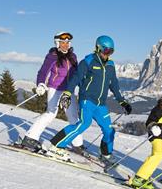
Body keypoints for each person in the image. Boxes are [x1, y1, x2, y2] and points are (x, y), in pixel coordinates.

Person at [47, 35, 132, 163]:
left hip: (101, 104)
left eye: (111, 51)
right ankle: (56, 146)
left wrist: (122, 101)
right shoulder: (88, 61)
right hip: (87, 100)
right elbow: (76, 78)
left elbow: (113, 83)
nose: (107, 54)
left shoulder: (110, 64)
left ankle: (106, 154)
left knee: (109, 130)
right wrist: (68, 93)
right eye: (106, 51)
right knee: (83, 124)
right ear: (98, 48)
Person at [21, 32, 85, 154]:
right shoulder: (52, 56)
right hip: (55, 89)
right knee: (51, 113)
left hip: (68, 91)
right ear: (57, 43)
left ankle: (77, 144)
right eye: (62, 42)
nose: (65, 45)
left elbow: (77, 74)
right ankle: (30, 138)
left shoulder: (73, 56)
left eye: (67, 42)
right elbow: (43, 72)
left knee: (73, 117)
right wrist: (40, 83)